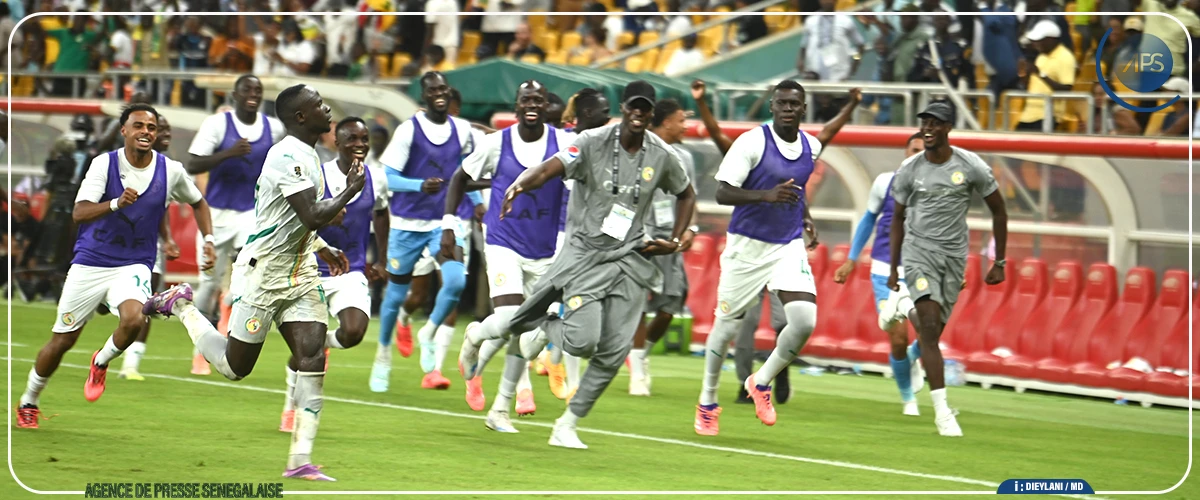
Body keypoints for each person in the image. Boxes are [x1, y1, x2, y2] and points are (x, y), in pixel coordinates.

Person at [459, 81, 696, 449]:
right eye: (632, 106)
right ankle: (497, 334)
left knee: (614, 352)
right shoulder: (591, 141)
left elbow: (686, 193)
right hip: (583, 256)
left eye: (644, 108)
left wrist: (678, 238)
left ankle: (566, 425)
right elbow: (549, 168)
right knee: (575, 339)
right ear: (624, 108)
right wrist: (520, 184)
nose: (637, 113)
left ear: (650, 113)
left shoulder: (662, 154)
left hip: (631, 259)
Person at [147, 84, 358, 480]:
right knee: (234, 367)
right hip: (262, 273)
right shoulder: (284, 155)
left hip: (300, 272)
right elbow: (312, 213)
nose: (327, 108)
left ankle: (300, 460)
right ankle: (182, 306)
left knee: (312, 356)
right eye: (318, 105)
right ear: (300, 116)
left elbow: (295, 222)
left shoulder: (310, 154)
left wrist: (323, 248)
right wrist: (350, 190)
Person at [17, 104, 217, 429]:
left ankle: (101, 360)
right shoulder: (104, 164)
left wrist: (208, 239)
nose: (146, 132)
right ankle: (29, 400)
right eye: (138, 125)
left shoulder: (171, 170)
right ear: (124, 130)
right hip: (90, 262)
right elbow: (78, 213)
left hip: (134, 263)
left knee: (134, 319)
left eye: (151, 127)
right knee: (62, 341)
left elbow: (198, 202)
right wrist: (114, 203)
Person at [694, 80, 831, 436]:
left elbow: (796, 193)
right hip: (746, 248)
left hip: (787, 245)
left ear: (803, 109)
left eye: (794, 104)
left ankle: (762, 381)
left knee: (803, 320)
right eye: (782, 103)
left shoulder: (810, 146)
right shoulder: (752, 141)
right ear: (772, 107)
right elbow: (722, 193)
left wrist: (806, 217)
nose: (788, 108)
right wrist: (766, 196)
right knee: (725, 328)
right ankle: (707, 402)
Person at [447, 80, 576, 429]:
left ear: (547, 105)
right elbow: (460, 177)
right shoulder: (495, 143)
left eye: (539, 99)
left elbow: (584, 177)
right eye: (525, 100)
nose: (532, 105)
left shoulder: (564, 143)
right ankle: (474, 336)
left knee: (535, 334)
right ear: (516, 106)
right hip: (503, 242)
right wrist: (448, 223)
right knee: (509, 322)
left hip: (547, 249)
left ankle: (500, 409)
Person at [887, 99, 1008, 437]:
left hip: (953, 259)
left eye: (935, 122)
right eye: (924, 122)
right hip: (918, 253)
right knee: (928, 327)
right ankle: (942, 413)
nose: (927, 128)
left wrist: (999, 261)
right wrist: (895, 268)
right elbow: (897, 218)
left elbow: (999, 211)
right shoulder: (910, 169)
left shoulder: (971, 166)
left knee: (932, 332)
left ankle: (904, 307)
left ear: (948, 128)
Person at [372, 72, 484, 393]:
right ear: (425, 96)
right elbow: (387, 178)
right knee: (395, 297)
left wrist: (476, 202)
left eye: (442, 89)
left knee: (456, 281)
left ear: (448, 93)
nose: (438, 94)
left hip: (444, 223)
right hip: (407, 224)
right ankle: (382, 355)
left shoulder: (462, 130)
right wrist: (417, 184)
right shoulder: (409, 131)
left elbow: (463, 173)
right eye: (432, 90)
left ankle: (428, 332)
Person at [278, 117, 390, 433]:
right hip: (310, 269)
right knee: (307, 354)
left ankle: (318, 345)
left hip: (351, 270)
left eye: (364, 139)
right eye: (351, 139)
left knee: (354, 332)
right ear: (336, 143)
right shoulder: (317, 174)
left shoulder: (376, 178)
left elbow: (381, 213)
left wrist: (381, 258)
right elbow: (303, 218)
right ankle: (290, 405)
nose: (359, 144)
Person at [186, 74, 286, 376]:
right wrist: (229, 153)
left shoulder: (274, 128)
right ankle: (200, 349)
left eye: (257, 90)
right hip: (216, 215)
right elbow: (192, 164)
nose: (253, 95)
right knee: (208, 285)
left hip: (253, 215)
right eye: (247, 90)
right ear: (235, 95)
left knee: (249, 276)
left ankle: (229, 323)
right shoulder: (218, 124)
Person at [833, 132, 926, 417]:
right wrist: (851, 259)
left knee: (930, 328)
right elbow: (868, 219)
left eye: (925, 151)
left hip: (921, 268)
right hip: (886, 269)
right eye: (914, 149)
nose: (918, 155)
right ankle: (908, 396)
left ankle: (912, 358)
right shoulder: (885, 182)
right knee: (897, 337)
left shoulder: (938, 188)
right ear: (905, 151)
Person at [537, 87, 611, 399]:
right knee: (573, 304)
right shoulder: (570, 144)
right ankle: (565, 373)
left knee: (572, 305)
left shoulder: (607, 144)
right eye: (603, 111)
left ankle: (549, 356)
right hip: (565, 236)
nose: (609, 117)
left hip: (595, 238)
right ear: (586, 116)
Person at [626, 97, 698, 397]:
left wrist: (691, 229)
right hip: (640, 237)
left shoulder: (686, 157)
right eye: (682, 120)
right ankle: (638, 373)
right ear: (666, 121)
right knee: (638, 305)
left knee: (671, 305)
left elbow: (690, 195)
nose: (686, 126)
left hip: (671, 238)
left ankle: (640, 355)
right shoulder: (639, 150)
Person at [117, 113, 182, 381]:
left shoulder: (169, 168)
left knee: (147, 302)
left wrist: (166, 238)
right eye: (161, 129)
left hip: (147, 246)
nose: (165, 134)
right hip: (115, 244)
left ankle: (130, 365)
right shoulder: (125, 163)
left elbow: (161, 209)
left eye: (165, 129)